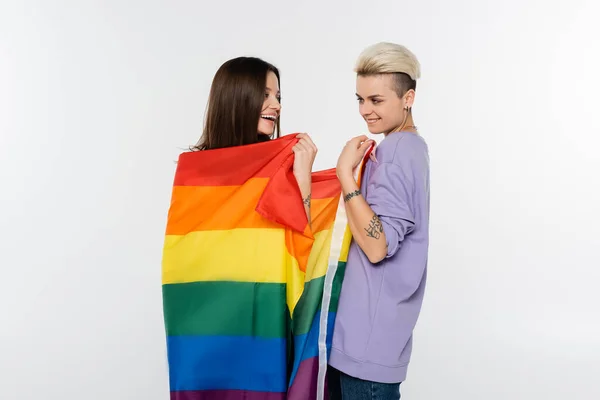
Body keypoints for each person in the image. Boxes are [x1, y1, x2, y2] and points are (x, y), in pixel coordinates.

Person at [328, 42, 430, 399]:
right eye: (360, 99)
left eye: (376, 100)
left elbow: (377, 246)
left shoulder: (395, 152)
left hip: (366, 347)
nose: (365, 111)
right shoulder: (412, 147)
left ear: (408, 98)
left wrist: (345, 175)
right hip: (375, 339)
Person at [191, 56, 317, 220]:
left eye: (277, 97)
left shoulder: (281, 167)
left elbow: (298, 241)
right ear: (236, 99)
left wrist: (302, 178)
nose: (277, 106)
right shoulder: (195, 174)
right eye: (265, 95)